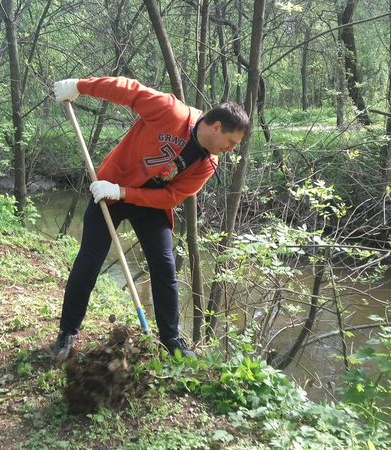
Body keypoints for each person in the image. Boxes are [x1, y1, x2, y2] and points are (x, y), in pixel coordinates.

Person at [50, 77, 250, 361]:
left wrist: (125, 193)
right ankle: (67, 333)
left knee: (165, 266)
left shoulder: (208, 163)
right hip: (108, 189)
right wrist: (80, 86)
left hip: (148, 202)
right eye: (231, 142)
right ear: (216, 127)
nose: (230, 150)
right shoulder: (171, 112)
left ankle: (171, 340)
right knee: (90, 260)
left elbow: (170, 197)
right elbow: (127, 90)